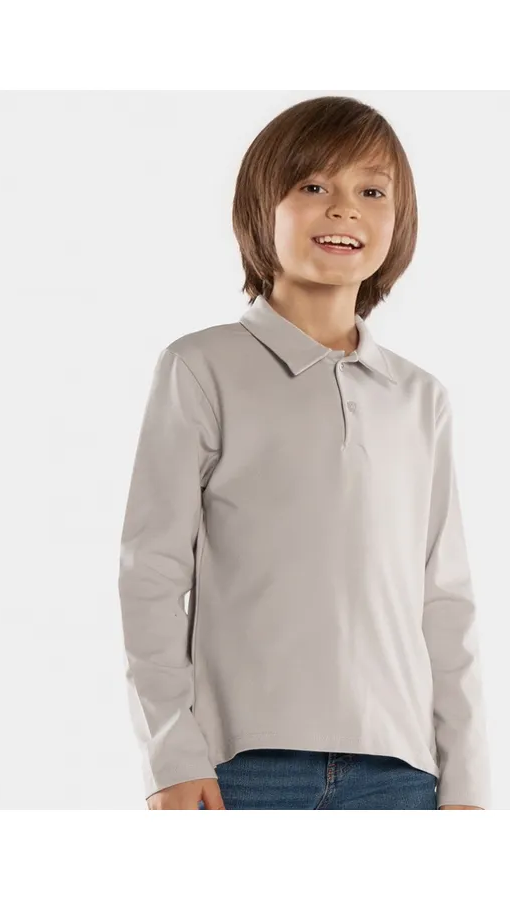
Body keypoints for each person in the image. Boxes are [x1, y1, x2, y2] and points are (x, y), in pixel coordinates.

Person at [117, 95, 491, 810]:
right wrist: (171, 753)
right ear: (262, 210)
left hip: (401, 771)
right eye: (314, 185)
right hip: (242, 765)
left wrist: (466, 781)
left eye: (372, 192)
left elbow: (445, 600)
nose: (344, 208)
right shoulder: (202, 368)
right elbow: (152, 573)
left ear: (400, 222)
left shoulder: (420, 398)